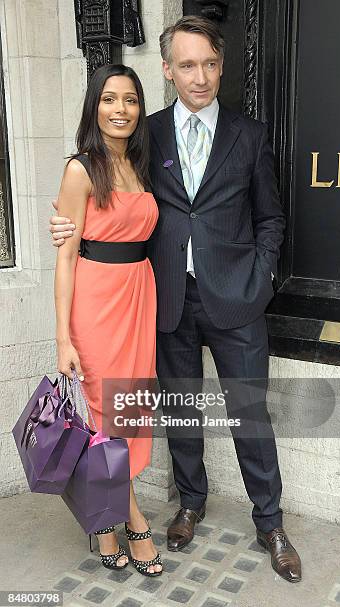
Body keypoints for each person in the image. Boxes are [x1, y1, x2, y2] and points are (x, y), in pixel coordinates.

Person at [50, 16, 301, 582]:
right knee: (181, 412)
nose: (201, 76)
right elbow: (103, 192)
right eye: (187, 65)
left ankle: (271, 522)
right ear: (167, 70)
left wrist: (259, 280)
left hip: (236, 301)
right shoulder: (147, 135)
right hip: (162, 303)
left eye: (210, 63)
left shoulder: (251, 135)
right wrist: (67, 229)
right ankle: (190, 504)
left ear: (221, 65)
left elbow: (271, 219)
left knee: (249, 413)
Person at [54, 63, 162, 576]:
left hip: (139, 298)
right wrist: (62, 337)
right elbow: (66, 256)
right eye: (109, 99)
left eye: (131, 100)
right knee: (107, 419)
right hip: (96, 305)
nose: (120, 110)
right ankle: (133, 518)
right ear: (94, 106)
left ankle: (102, 524)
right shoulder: (81, 168)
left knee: (130, 412)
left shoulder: (142, 164)